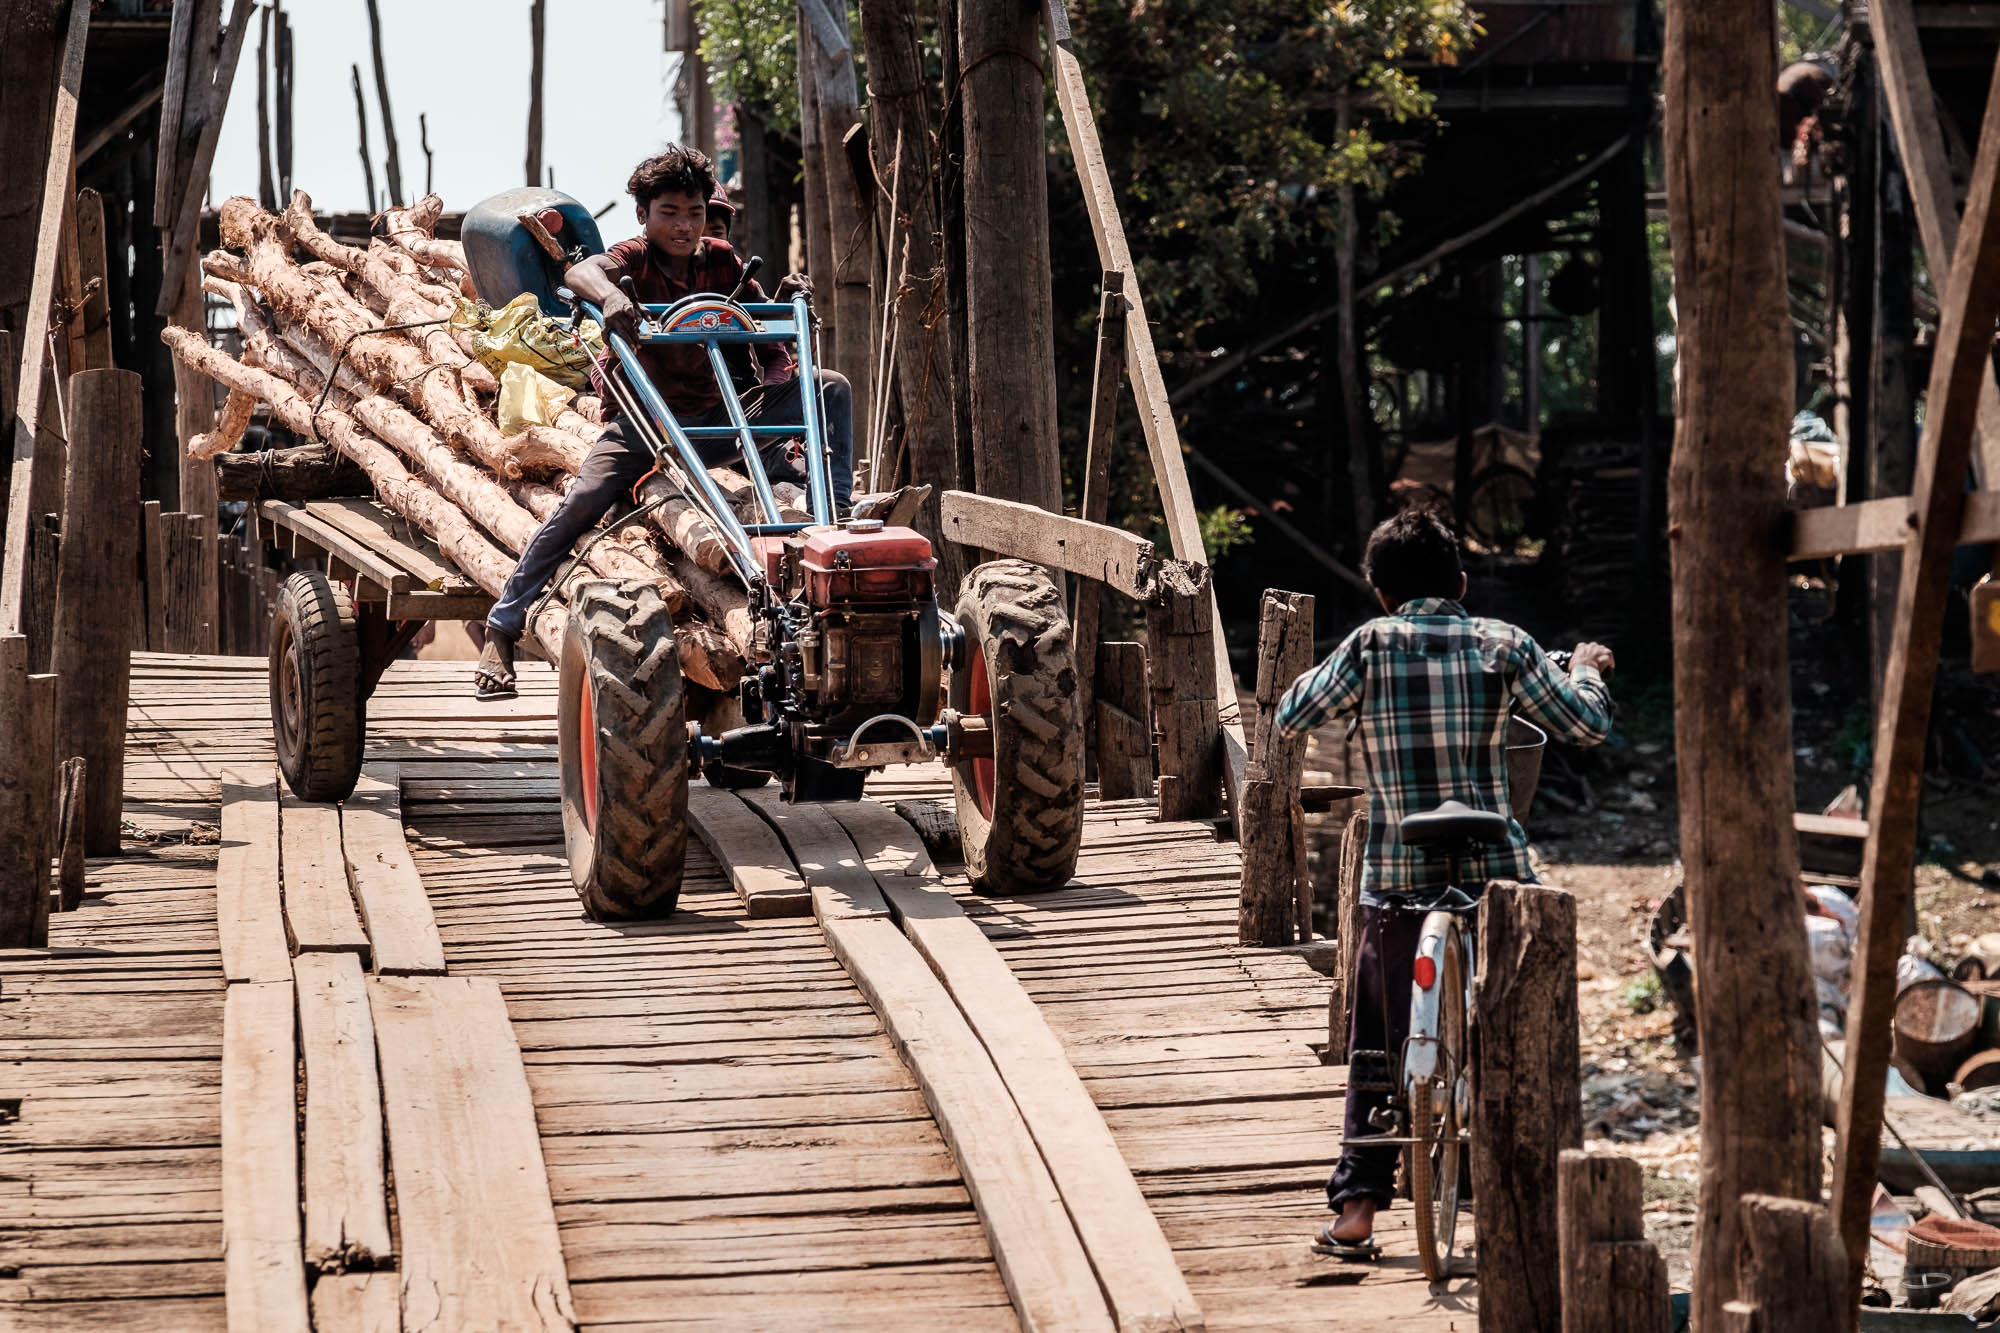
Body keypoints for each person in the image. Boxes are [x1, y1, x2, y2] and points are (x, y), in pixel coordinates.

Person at [1273, 507, 1614, 1258]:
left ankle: (1358, 1210)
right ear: (1461, 583)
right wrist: (1584, 666)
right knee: (1519, 1031)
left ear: (1382, 592)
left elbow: (1293, 714)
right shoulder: (1505, 642)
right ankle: (1520, 1211)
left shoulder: (1369, 644)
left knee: (1374, 1038)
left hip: (1398, 875)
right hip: (1497, 883)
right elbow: (1585, 725)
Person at [474, 144, 854, 698]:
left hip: (723, 420)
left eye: (694, 213)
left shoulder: (721, 260)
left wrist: (784, 296)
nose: (683, 225)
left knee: (830, 390)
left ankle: (837, 518)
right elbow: (583, 271)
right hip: (644, 425)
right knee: (580, 506)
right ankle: (501, 627)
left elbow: (758, 316)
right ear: (644, 216)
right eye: (669, 213)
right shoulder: (632, 259)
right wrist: (609, 299)